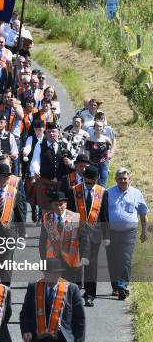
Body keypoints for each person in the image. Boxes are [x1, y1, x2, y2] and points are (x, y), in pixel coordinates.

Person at [67, 164, 109, 306]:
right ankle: (74, 291)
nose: (90, 185)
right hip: (77, 233)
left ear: (97, 179)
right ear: (83, 178)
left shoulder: (103, 192)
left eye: (92, 182)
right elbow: (69, 214)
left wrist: (107, 235)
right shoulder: (74, 191)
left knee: (92, 265)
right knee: (75, 264)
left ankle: (90, 294)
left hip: (95, 234)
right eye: (87, 182)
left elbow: (104, 215)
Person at [106, 168, 149, 299]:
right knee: (112, 260)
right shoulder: (108, 193)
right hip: (111, 232)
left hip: (129, 232)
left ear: (129, 179)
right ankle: (115, 287)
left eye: (125, 178)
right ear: (116, 180)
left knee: (125, 259)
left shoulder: (136, 193)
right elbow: (101, 213)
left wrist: (144, 231)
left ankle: (122, 285)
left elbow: (143, 213)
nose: (123, 181)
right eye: (120, 179)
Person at [39, 190, 89, 282]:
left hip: (72, 260)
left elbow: (84, 239)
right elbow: (42, 241)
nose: (59, 207)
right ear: (51, 205)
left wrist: (84, 256)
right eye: (56, 204)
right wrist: (43, 259)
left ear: (66, 204)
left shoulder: (76, 217)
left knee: (72, 290)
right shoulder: (46, 218)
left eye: (61, 204)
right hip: (53, 260)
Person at [30, 122, 73, 211]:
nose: (51, 134)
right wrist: (36, 170)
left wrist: (70, 162)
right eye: (49, 132)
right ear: (45, 133)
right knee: (46, 209)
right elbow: (35, 160)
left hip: (62, 183)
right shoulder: (40, 145)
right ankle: (45, 224)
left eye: (54, 131)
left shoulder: (65, 144)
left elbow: (73, 161)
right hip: (45, 182)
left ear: (58, 133)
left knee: (61, 209)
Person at [84, 120, 112, 187]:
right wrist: (87, 164)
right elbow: (87, 152)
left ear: (103, 128)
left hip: (104, 164)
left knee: (103, 184)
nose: (98, 128)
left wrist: (108, 165)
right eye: (97, 126)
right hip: (92, 163)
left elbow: (108, 153)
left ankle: (102, 196)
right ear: (94, 127)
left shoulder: (106, 139)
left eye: (100, 126)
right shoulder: (89, 139)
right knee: (93, 183)